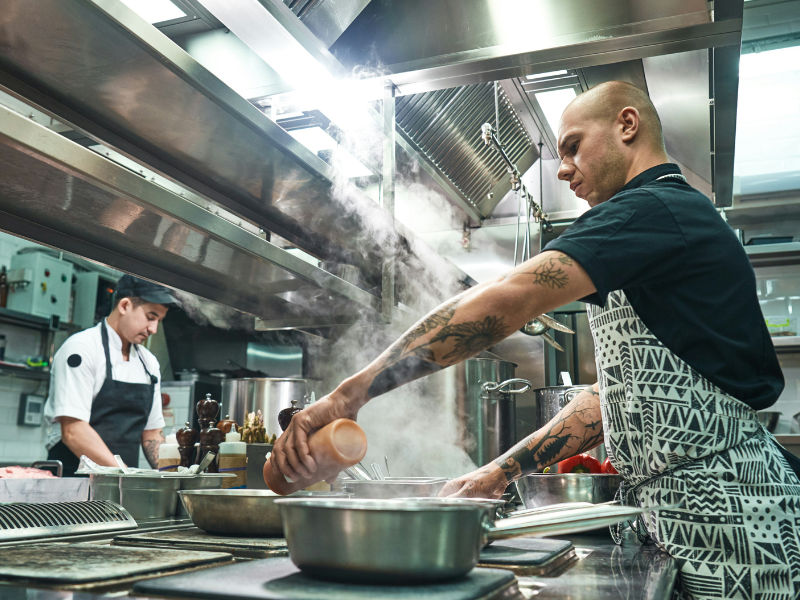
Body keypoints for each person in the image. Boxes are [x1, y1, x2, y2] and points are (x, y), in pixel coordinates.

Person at [272, 81, 800, 599]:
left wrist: (348, 396)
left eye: (573, 146)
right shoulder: (650, 235)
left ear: (627, 125)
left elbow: (509, 297)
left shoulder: (657, 208)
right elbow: (609, 402)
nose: (564, 168)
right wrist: (496, 474)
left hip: (732, 520)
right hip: (677, 512)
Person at [44, 275, 179, 476]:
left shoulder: (149, 363)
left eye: (159, 320)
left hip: (120, 486)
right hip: (73, 483)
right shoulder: (82, 349)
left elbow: (152, 434)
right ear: (124, 306)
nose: (153, 329)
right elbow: (74, 432)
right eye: (150, 317)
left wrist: (175, 476)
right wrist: (125, 476)